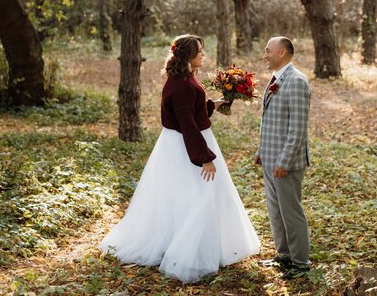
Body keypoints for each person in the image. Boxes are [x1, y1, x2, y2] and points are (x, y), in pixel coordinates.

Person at [99, 34, 260, 284]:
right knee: (196, 195)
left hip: (184, 141)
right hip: (185, 147)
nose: (203, 55)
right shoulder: (182, 85)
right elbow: (187, 125)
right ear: (188, 55)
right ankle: (187, 251)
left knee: (191, 195)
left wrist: (214, 105)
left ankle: (200, 243)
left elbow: (192, 114)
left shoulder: (183, 79)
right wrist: (204, 157)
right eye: (200, 51)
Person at [254, 36, 312, 279]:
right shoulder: (275, 79)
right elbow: (270, 120)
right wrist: (261, 151)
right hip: (270, 158)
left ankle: (300, 263)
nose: (265, 55)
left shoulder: (296, 81)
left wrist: (284, 161)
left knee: (290, 211)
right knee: (276, 211)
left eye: (268, 51)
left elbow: (297, 128)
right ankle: (284, 256)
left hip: (285, 163)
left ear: (282, 52)